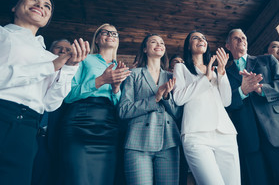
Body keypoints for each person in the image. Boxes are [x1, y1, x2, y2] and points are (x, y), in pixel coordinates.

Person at [0, 0, 89, 185]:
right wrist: (51, 67)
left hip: (28, 125)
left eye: (47, 6)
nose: (40, 5)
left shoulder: (50, 57)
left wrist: (69, 68)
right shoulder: (2, 34)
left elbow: (50, 103)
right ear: (14, 7)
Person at [225, 29, 279, 185]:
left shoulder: (267, 60)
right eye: (236, 38)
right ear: (228, 45)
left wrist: (262, 89)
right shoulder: (224, 73)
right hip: (248, 139)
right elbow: (225, 104)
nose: (241, 40)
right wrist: (242, 92)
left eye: (243, 37)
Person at [57, 23, 131, 185]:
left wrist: (116, 88)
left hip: (109, 126)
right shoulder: (84, 60)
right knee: (78, 179)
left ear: (118, 41)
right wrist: (101, 80)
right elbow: (68, 95)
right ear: (97, 39)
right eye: (105, 32)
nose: (111, 35)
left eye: (115, 33)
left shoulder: (122, 68)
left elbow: (122, 107)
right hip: (80, 121)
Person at [173, 30, 240, 185]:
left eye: (203, 37)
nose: (201, 39)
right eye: (195, 38)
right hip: (196, 135)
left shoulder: (217, 71)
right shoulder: (181, 68)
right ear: (189, 46)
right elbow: (178, 98)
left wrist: (221, 73)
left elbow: (226, 101)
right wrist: (206, 78)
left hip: (225, 134)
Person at [118, 34, 181, 185]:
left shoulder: (173, 76)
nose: (159, 44)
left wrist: (166, 97)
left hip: (169, 142)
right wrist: (155, 98)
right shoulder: (133, 75)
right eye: (153, 42)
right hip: (137, 143)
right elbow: (123, 110)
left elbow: (179, 114)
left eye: (162, 42)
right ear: (145, 49)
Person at [31, 39, 73, 185]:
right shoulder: (38, 70)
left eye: (68, 50)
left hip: (55, 139)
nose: (63, 51)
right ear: (49, 51)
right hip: (29, 133)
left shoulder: (73, 77)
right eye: (58, 48)